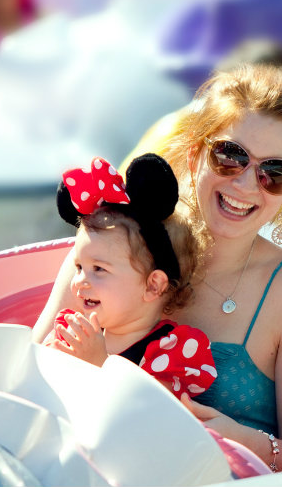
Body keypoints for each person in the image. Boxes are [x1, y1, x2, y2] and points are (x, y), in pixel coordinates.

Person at [34, 64, 282, 472]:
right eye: (230, 156)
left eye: (275, 173)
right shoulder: (112, 249)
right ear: (196, 152)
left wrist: (243, 440)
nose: (247, 184)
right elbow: (32, 369)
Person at [41, 154, 216, 398]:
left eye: (99, 269)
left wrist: (99, 365)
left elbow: (154, 417)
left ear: (153, 286)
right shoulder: (71, 334)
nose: (80, 281)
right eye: (79, 267)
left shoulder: (169, 353)